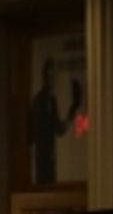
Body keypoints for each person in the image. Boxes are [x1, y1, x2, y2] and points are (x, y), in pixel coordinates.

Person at [29, 57, 82, 185]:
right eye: (50, 76)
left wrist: (73, 108)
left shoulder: (51, 101)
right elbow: (48, 130)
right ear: (45, 77)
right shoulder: (39, 101)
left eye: (53, 76)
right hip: (43, 159)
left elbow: (59, 129)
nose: (52, 80)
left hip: (50, 158)